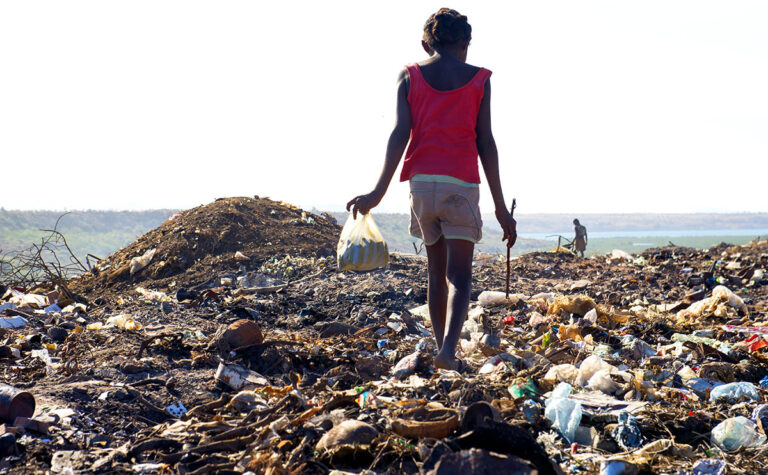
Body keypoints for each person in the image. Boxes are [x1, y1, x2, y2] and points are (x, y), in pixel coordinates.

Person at [346, 9, 516, 371]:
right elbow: (486, 143)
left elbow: (399, 134)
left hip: (421, 186)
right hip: (461, 185)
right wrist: (501, 208)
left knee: (435, 274)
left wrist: (377, 193)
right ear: (466, 43)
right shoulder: (479, 80)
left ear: (426, 44)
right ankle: (448, 353)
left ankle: (442, 347)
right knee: (460, 277)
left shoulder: (409, 76)